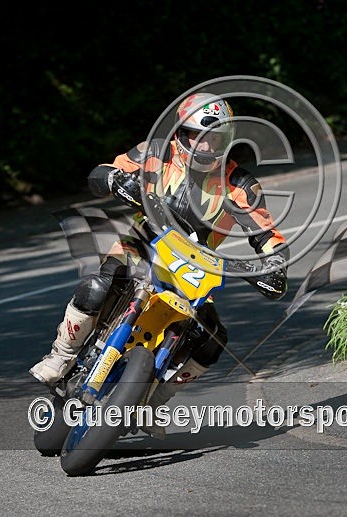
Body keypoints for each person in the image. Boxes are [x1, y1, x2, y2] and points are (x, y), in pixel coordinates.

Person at [29, 92, 289, 436]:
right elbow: (103, 171)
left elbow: (266, 233)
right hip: (142, 245)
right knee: (98, 285)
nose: (208, 147)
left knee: (212, 336)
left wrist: (274, 264)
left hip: (195, 268)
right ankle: (61, 355)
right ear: (182, 133)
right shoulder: (154, 153)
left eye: (217, 139)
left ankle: (153, 401)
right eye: (200, 137)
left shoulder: (239, 183)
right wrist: (112, 180)